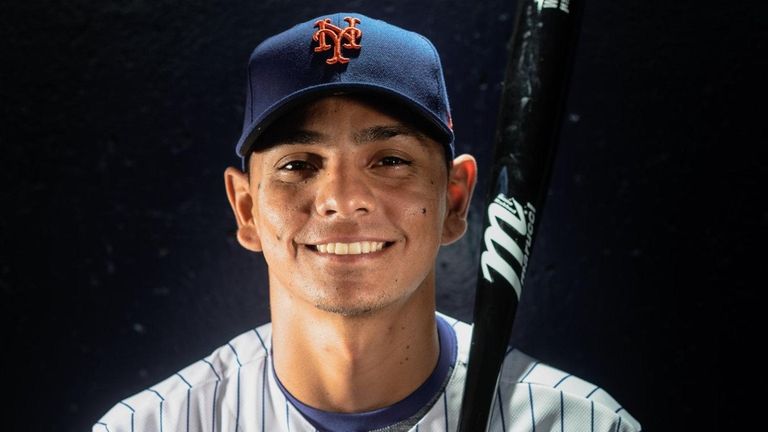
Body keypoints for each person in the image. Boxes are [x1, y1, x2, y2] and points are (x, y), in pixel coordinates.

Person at [93, 12, 641, 432]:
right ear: (246, 210)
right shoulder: (153, 424)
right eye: (298, 165)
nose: (342, 199)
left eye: (390, 161)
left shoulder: (579, 422)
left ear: (455, 200)